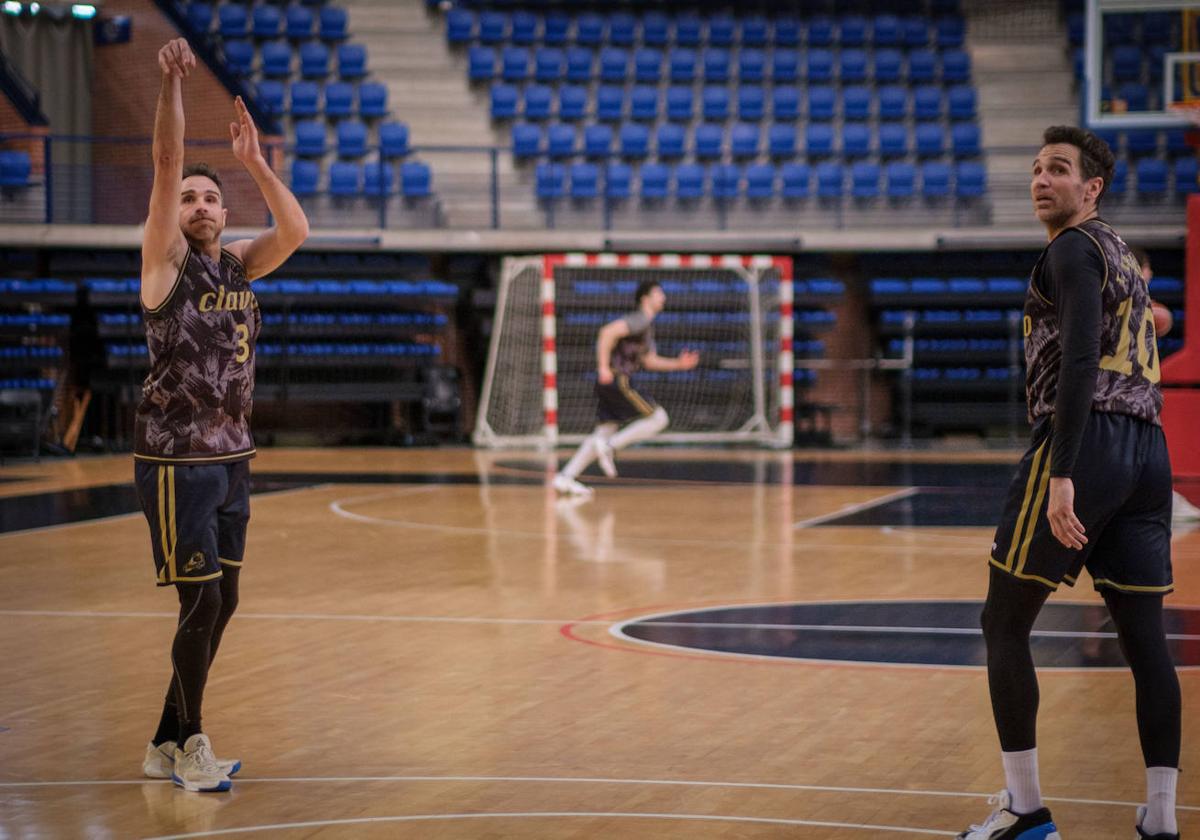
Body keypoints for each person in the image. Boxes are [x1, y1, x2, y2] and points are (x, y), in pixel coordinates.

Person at [958, 126, 1180, 840]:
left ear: (1092, 189)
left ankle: (1025, 813)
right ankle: (1162, 821)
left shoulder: (1071, 248)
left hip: (1087, 442)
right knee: (1145, 641)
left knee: (1003, 622)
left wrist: (1061, 476)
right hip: (1149, 450)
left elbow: (1082, 357)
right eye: (1034, 169)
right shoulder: (1118, 251)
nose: (1040, 180)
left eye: (1058, 169)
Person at [136, 38, 309, 793]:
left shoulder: (239, 263)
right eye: (189, 199)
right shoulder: (163, 265)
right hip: (177, 460)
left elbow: (296, 231)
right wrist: (172, 83)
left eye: (211, 198)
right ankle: (189, 741)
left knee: (224, 598)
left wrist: (255, 162)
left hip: (233, 455)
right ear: (174, 215)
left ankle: (163, 742)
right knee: (200, 598)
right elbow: (167, 164)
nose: (199, 205)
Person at [553, 280, 699, 496]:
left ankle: (566, 477)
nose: (663, 297)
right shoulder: (639, 319)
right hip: (618, 379)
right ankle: (611, 447)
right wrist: (603, 367)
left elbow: (649, 360)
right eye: (658, 293)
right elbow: (607, 333)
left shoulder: (645, 326)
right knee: (659, 419)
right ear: (645, 298)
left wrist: (678, 364)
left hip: (610, 382)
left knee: (603, 431)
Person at [1131, 246, 1200, 524]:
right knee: (1142, 451)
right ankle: (1162, 501)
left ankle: (1160, 500)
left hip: (1134, 391)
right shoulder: (1119, 303)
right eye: (1147, 268)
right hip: (1123, 392)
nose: (1151, 274)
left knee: (1144, 452)